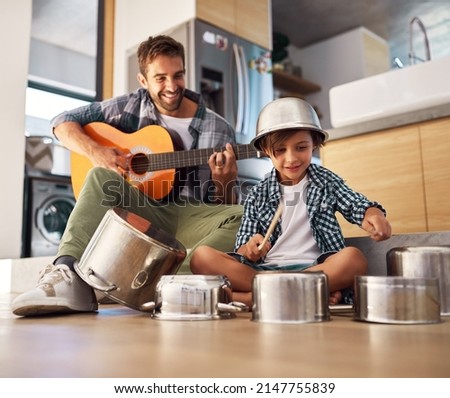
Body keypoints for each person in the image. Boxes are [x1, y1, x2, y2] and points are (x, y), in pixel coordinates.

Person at [12, 35, 244, 317]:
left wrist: (225, 181)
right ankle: (68, 275)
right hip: (142, 215)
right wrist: (97, 152)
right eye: (160, 78)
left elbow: (223, 206)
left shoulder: (219, 128)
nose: (172, 86)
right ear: (143, 80)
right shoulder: (128, 106)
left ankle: (151, 283)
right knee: (99, 177)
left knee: (241, 214)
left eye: (178, 75)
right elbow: (61, 123)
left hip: (190, 219)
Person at [190, 97, 392, 307]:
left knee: (354, 259)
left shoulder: (326, 182)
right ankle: (303, 293)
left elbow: (357, 205)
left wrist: (374, 215)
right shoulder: (257, 194)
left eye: (301, 147)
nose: (291, 158)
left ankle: (255, 297)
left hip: (313, 268)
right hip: (263, 272)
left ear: (314, 143)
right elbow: (242, 249)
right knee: (201, 257)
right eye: (280, 150)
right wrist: (250, 249)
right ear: (266, 151)